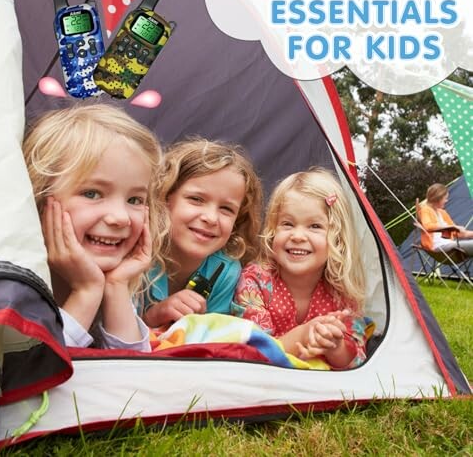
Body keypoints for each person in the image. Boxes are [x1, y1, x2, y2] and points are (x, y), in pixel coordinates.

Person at [23, 104, 166, 350]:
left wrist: (117, 287)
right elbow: (31, 375)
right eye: (92, 193)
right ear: (38, 199)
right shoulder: (10, 292)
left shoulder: (114, 284)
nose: (120, 217)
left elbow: (134, 379)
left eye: (135, 200)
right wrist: (85, 292)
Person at [234, 167, 370, 369]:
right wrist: (304, 335)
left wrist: (334, 346)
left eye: (314, 226)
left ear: (337, 239)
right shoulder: (255, 280)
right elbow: (254, 352)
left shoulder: (342, 291)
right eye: (287, 224)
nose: (297, 236)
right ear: (272, 230)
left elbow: (356, 360)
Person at [142, 138, 263, 329]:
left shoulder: (225, 271)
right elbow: (110, 336)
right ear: (164, 198)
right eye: (196, 199)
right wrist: (152, 317)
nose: (211, 218)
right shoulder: (138, 254)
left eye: (226, 209)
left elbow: (209, 340)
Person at [419, 183, 473, 255]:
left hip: (449, 244)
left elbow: (456, 233)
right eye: (445, 198)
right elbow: (428, 226)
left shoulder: (442, 213)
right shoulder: (425, 210)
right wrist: (452, 227)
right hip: (439, 246)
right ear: (438, 198)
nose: (446, 201)